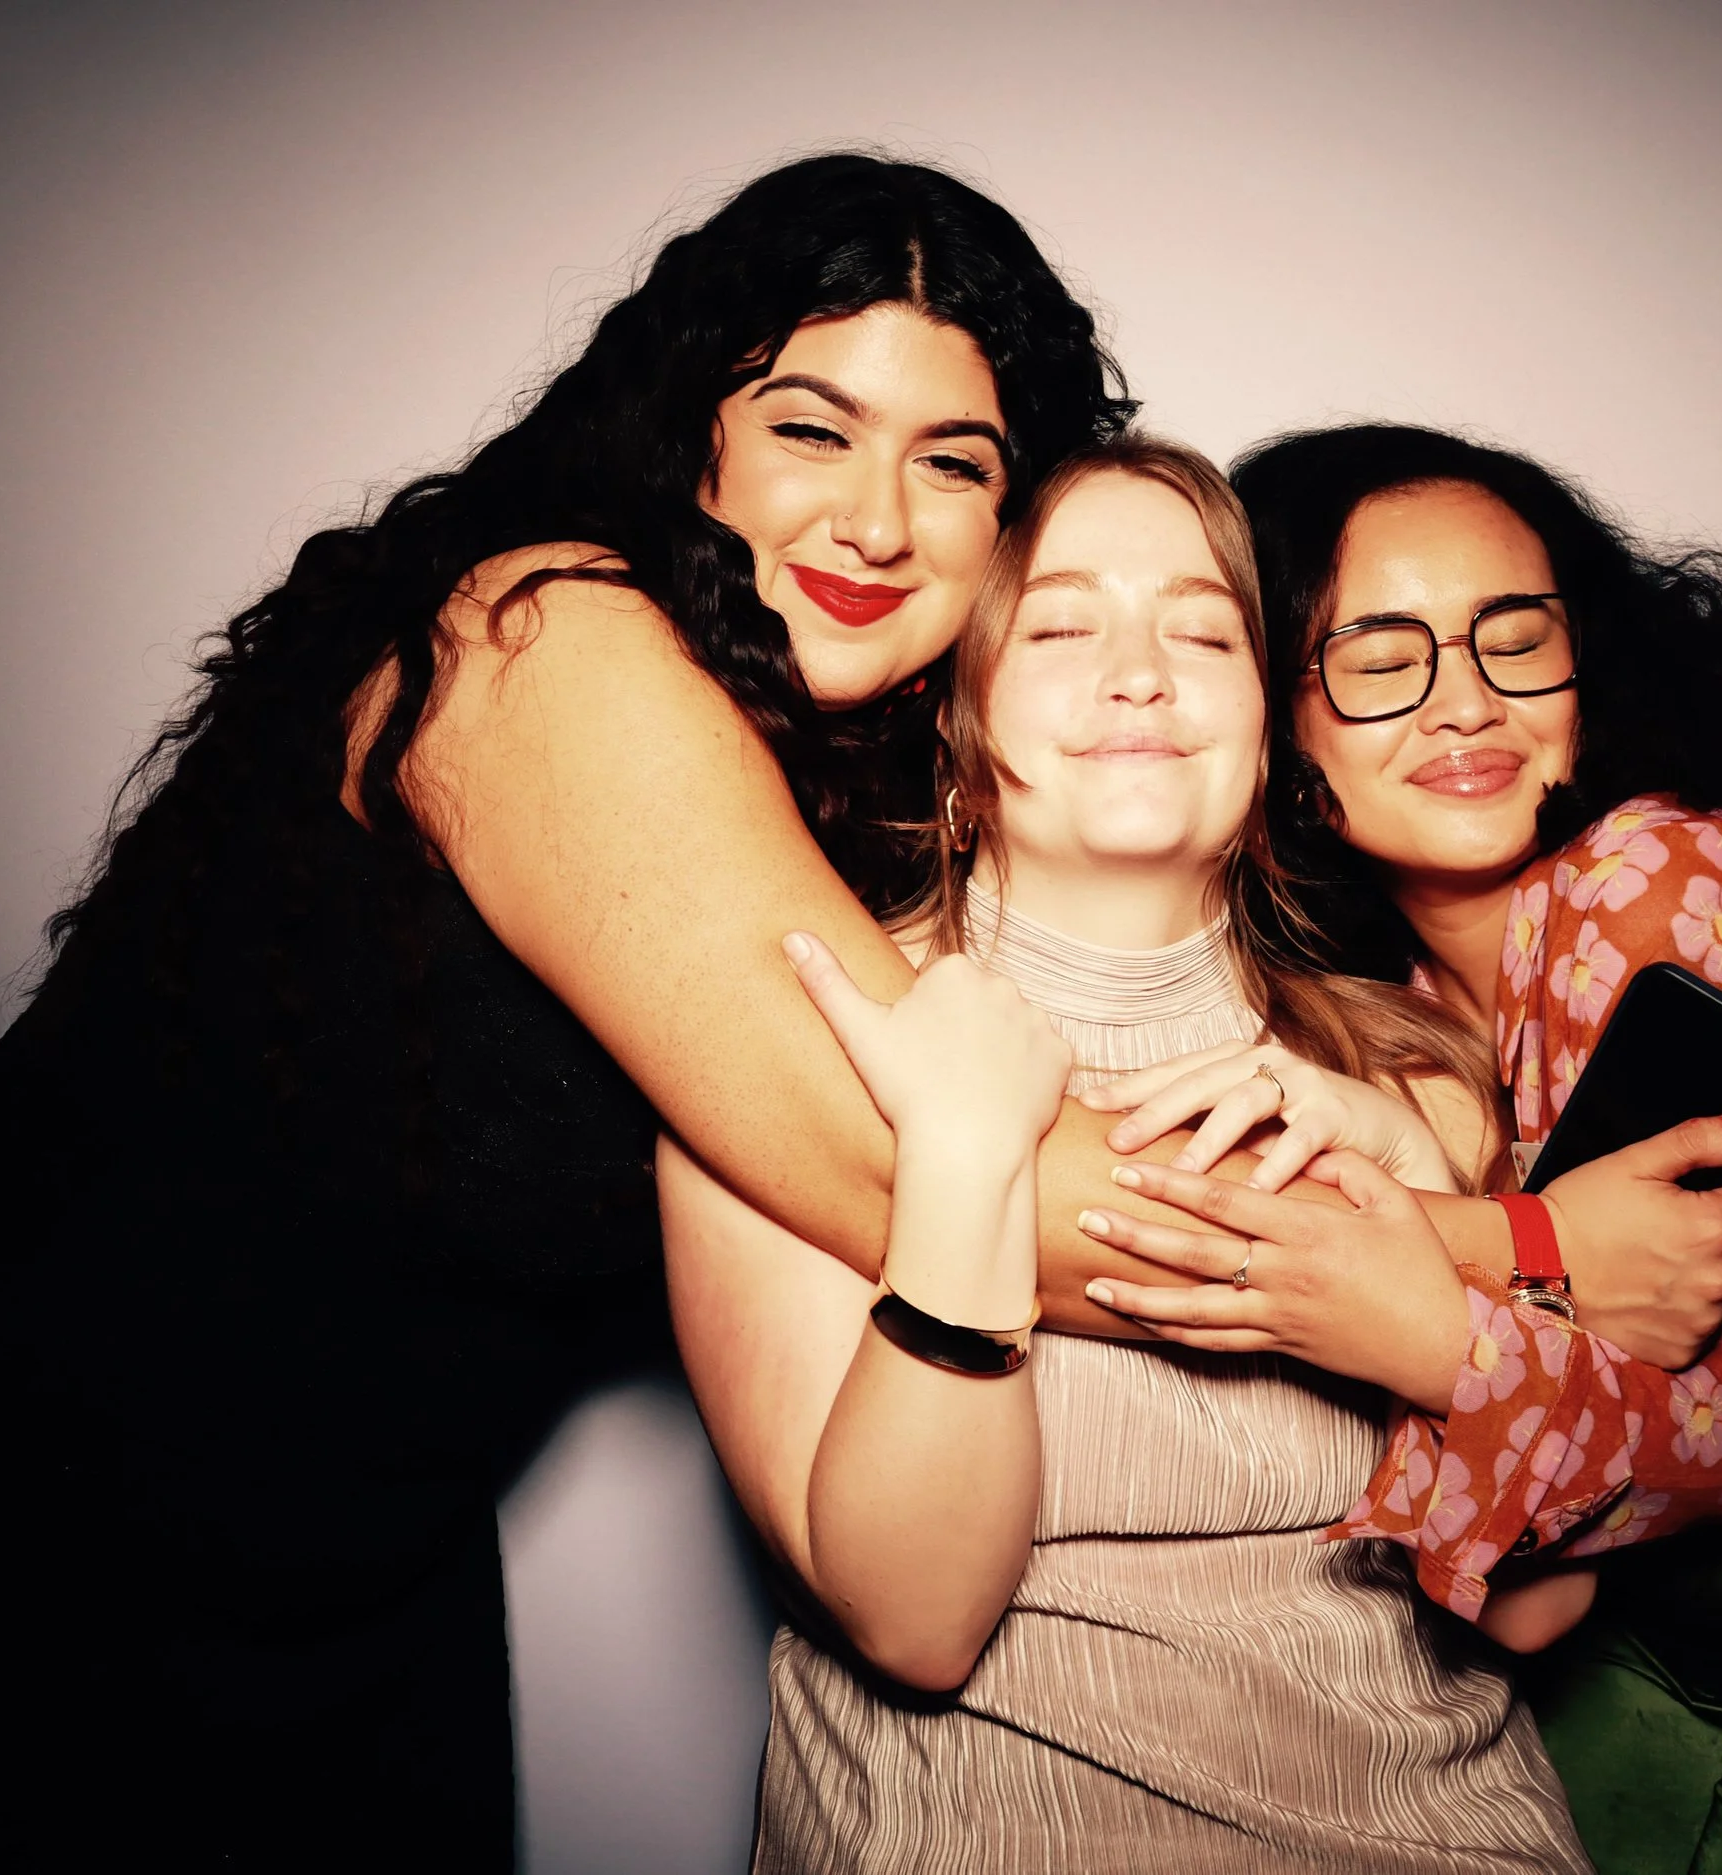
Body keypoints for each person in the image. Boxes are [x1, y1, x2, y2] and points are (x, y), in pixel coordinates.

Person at [0, 146, 1722, 1865]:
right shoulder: (547, 639)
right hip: (31, 1435)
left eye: (954, 464)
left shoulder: (843, 793)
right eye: (807, 427)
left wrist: (1693, 813)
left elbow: (1319, 733)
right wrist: (1526, 1253)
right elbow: (911, 1162)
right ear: (686, 438)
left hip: (354, 1505)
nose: (872, 517)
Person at [1080, 423, 1722, 1872]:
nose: (1466, 705)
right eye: (1381, 659)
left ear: (1588, 678)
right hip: (1641, 1621)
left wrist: (1436, 1269)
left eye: (1517, 641)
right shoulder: (1379, 996)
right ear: (1282, 726)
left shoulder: (1667, 883)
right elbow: (1528, 1601)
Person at [666, 434, 1608, 1871]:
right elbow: (918, 1623)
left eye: (1201, 628)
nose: (1140, 671)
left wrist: (1427, 1246)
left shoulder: (1419, 1072)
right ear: (959, 715)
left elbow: (1542, 1610)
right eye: (1060, 623)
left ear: (1267, 723)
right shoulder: (801, 1042)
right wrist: (971, 1147)